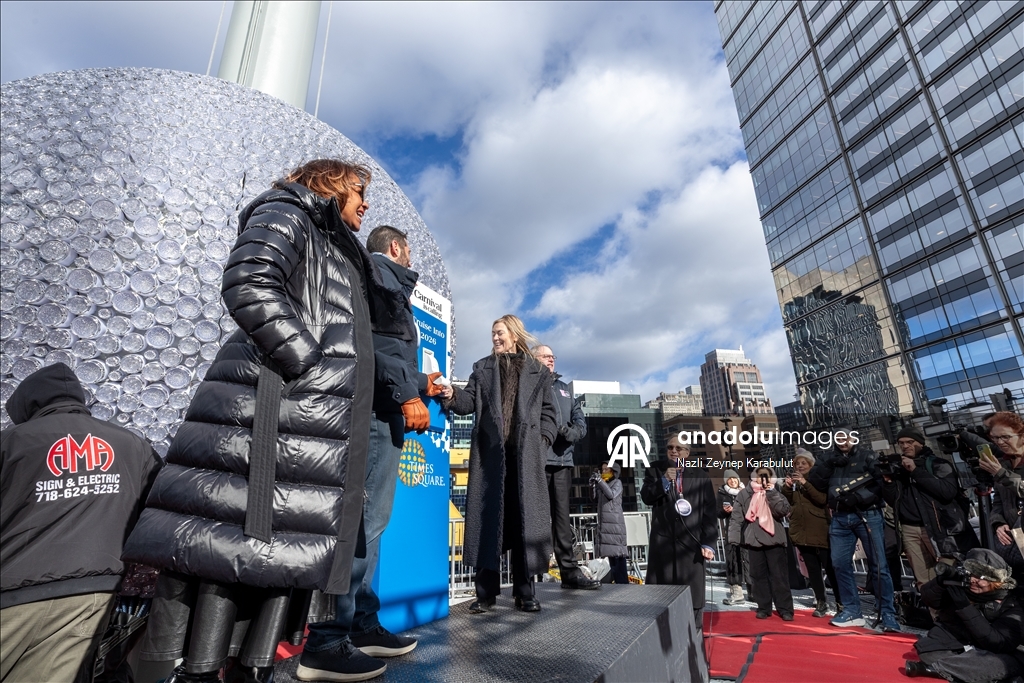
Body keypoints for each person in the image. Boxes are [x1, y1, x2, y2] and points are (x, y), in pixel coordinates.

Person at [122, 160, 390, 683]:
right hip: (275, 412)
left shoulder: (328, 238)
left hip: (301, 421)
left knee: (270, 564)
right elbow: (248, 279)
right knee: (237, 553)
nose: (365, 206)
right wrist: (305, 362)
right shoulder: (287, 209)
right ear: (333, 184)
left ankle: (248, 671)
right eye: (361, 193)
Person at [298, 224, 443, 679]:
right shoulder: (381, 275)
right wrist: (406, 393)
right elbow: (375, 348)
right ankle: (327, 641)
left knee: (371, 526)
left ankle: (360, 625)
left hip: (383, 407)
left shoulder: (379, 278)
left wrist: (420, 384)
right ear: (397, 248)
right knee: (363, 525)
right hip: (378, 414)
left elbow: (385, 354)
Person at [0, 363, 162, 683]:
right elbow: (159, 515)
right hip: (90, 597)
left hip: (10, 591)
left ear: (26, 405)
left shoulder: (11, 443)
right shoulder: (134, 445)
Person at [440, 315, 556, 613]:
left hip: (525, 460)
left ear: (514, 335)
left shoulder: (538, 372)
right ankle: (485, 594)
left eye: (499, 333)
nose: (494, 338)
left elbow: (549, 414)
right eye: (492, 333)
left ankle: (525, 593)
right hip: (491, 461)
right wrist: (452, 394)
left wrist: (541, 444)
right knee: (487, 524)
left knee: (523, 526)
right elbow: (467, 404)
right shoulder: (482, 368)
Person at [807, 428, 901, 632]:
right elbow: (815, 481)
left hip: (867, 514)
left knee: (879, 565)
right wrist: (829, 464)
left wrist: (860, 497)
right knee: (839, 564)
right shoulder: (828, 458)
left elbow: (880, 483)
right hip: (840, 516)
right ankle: (852, 610)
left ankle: (888, 613)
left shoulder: (867, 455)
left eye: (845, 437)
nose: (842, 441)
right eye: (838, 438)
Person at [532, 344, 599, 590]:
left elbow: (581, 423)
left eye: (552, 357)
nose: (550, 360)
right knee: (533, 518)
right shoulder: (529, 385)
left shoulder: (565, 390)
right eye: (545, 356)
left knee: (561, 519)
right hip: (536, 460)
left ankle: (569, 574)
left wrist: (567, 432)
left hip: (561, 463)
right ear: (534, 359)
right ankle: (529, 576)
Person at [906, 549, 1023, 682]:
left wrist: (966, 608)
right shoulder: (961, 587)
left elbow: (998, 643)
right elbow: (931, 601)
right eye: (971, 574)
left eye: (980, 577)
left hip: (989, 652)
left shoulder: (1011, 604)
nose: (973, 580)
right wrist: (939, 583)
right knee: (930, 651)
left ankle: (936, 669)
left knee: (1003, 663)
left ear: (995, 582)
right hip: (955, 646)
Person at [881, 426, 972, 590]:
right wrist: (888, 482)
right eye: (901, 443)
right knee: (924, 581)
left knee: (949, 576)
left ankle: (958, 613)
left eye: (910, 442)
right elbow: (894, 500)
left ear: (920, 443)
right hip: (910, 529)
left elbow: (947, 492)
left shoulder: (938, 464)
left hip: (940, 529)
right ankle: (935, 615)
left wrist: (915, 471)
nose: (905, 446)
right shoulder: (899, 468)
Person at [641, 436, 718, 628]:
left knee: (692, 596)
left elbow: (709, 514)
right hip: (663, 544)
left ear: (687, 453)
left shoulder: (701, 476)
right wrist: (665, 480)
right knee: (661, 596)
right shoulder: (655, 469)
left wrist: (709, 543)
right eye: (670, 447)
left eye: (679, 448)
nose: (673, 451)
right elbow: (646, 497)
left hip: (691, 545)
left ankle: (693, 635)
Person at [729, 467, 795, 620]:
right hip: (753, 540)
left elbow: (782, 511)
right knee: (757, 576)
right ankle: (764, 607)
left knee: (779, 576)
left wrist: (771, 492)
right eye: (759, 476)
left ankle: (785, 609)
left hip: (775, 539)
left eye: (766, 476)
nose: (762, 479)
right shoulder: (744, 493)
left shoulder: (776, 490)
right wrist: (734, 538)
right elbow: (736, 517)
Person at [782, 449, 839, 617]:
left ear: (811, 465)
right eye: (797, 463)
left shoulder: (817, 480)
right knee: (813, 570)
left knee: (830, 567)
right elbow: (788, 501)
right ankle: (821, 601)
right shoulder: (793, 483)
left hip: (820, 529)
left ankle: (841, 601)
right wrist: (786, 488)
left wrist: (805, 484)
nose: (800, 466)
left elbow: (822, 499)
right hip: (801, 531)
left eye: (803, 463)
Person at [979, 411, 1024, 588]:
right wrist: (997, 523)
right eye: (995, 438)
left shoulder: (1000, 468)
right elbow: (998, 500)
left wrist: (1000, 473)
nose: (1000, 442)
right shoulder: (1003, 463)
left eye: (1005, 437)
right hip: (1012, 537)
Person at [592, 462, 629, 584]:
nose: (603, 472)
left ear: (614, 471)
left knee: (618, 557)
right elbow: (595, 499)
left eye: (606, 469)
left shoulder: (617, 483)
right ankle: (617, 585)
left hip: (614, 525)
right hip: (605, 525)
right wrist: (593, 484)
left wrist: (600, 482)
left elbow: (611, 495)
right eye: (602, 470)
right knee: (611, 559)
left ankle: (623, 586)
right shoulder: (603, 484)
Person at [718, 470, 748, 606]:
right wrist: (724, 511)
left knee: (749, 560)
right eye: (729, 479)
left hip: (748, 530)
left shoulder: (746, 491)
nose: (732, 481)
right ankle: (737, 592)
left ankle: (754, 591)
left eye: (734, 478)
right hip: (731, 530)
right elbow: (717, 512)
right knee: (733, 560)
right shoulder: (722, 493)